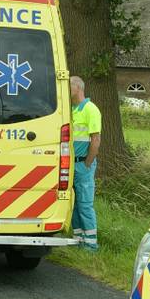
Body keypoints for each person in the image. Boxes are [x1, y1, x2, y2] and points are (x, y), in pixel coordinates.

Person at [69, 76, 101, 251]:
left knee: (85, 204)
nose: (67, 89)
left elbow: (95, 139)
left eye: (69, 86)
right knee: (74, 203)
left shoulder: (90, 109)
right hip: (71, 164)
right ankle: (78, 239)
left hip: (82, 164)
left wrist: (87, 163)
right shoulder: (71, 110)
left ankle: (91, 244)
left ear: (78, 88)